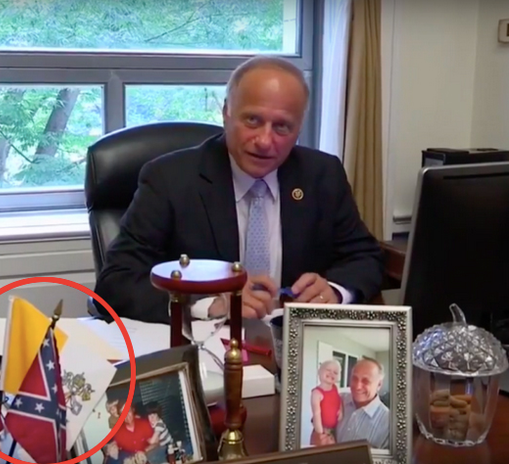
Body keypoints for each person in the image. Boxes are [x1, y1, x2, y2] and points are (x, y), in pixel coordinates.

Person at [93, 55, 384, 324]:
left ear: (299, 129)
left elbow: (365, 257)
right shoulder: (169, 179)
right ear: (226, 113)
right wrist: (209, 303)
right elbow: (118, 282)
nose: (265, 141)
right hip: (206, 351)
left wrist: (333, 291)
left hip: (293, 349)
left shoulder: (322, 175)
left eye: (282, 127)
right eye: (253, 120)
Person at [319, 357, 390, 449]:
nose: (357, 386)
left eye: (365, 381)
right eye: (354, 378)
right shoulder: (338, 399)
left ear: (379, 384)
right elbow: (319, 429)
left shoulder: (389, 423)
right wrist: (317, 438)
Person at [309, 359, 343, 446]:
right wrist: (320, 433)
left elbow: (338, 399)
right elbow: (316, 413)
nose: (332, 373)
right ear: (319, 372)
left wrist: (341, 410)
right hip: (323, 430)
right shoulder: (317, 393)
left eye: (335, 372)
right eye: (328, 370)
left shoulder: (335, 388)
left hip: (333, 430)